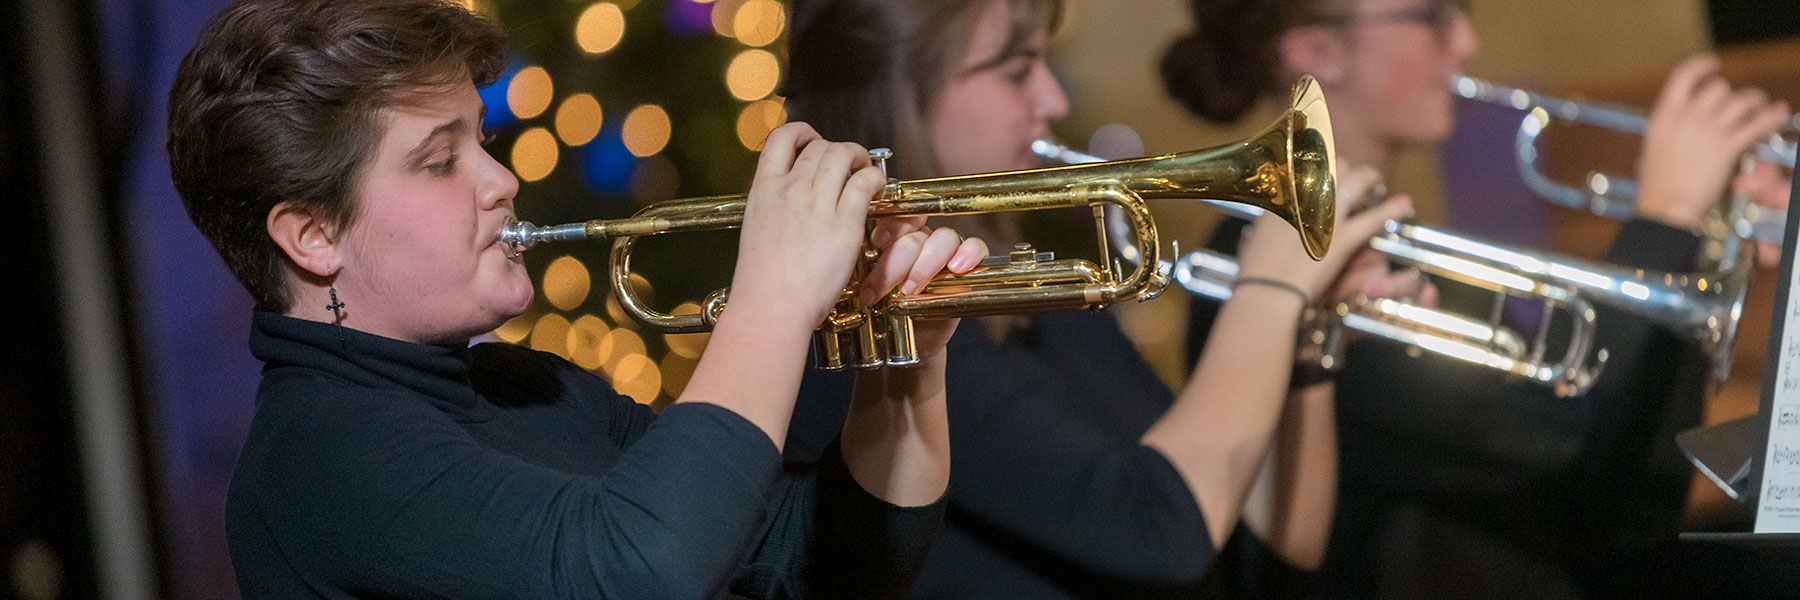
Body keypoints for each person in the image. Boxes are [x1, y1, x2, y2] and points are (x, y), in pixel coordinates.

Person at [165, 0, 993, 597]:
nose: (503, 179)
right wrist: (771, 297)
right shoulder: (315, 458)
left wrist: (906, 364)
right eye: (437, 160)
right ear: (311, 236)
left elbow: (829, 564)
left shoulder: (537, 387)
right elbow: (639, 570)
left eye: (481, 141)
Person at [782, 0, 1427, 596]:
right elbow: (1159, 533)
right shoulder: (878, 342)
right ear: (898, 97)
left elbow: (1269, 564)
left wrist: (1309, 345)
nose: (1054, 98)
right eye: (1017, 70)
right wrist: (1272, 289)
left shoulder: (1047, 302)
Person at [1160, 0, 1793, 597]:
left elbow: (1622, 492)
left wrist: (1702, 249)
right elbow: (1553, 443)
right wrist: (1666, 218)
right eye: (1433, 15)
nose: (1469, 42)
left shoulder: (1402, 239)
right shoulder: (1264, 265)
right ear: (1319, 50)